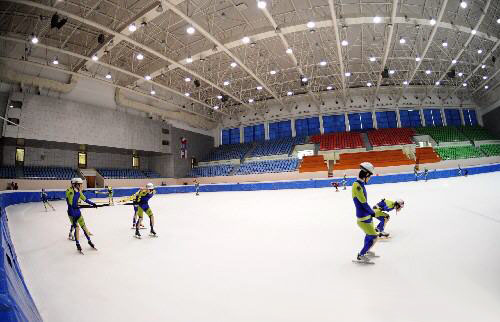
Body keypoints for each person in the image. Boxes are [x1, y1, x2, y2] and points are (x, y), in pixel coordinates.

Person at [352, 162, 378, 264]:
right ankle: (361, 255)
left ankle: (366, 251)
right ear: (366, 175)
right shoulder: (357, 185)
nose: (370, 178)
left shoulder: (360, 184)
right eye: (370, 176)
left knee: (369, 234)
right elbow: (363, 202)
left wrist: (370, 212)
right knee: (374, 236)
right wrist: (372, 212)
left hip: (366, 215)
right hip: (363, 217)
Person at [66, 178, 98, 253]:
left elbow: (85, 199)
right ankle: (77, 244)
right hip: (71, 213)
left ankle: (89, 241)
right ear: (75, 184)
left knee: (84, 227)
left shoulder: (79, 192)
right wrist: (73, 215)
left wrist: (92, 204)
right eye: (80, 184)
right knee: (77, 228)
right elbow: (70, 204)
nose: (81, 186)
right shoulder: (69, 191)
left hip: (77, 211)